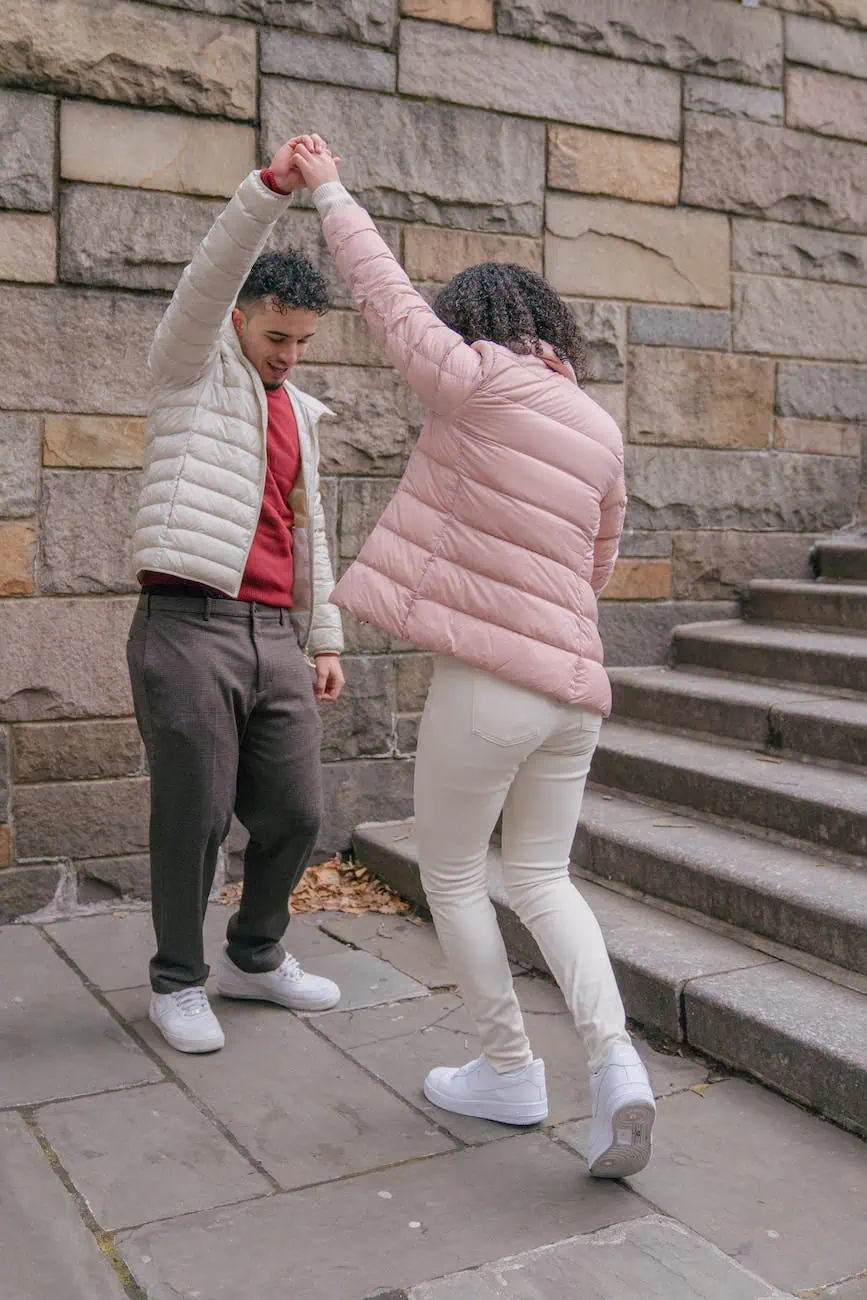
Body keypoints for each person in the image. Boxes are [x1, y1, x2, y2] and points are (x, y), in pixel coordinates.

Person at [289, 139, 656, 1178]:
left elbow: (383, 295)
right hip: (573, 693)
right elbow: (600, 558)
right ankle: (616, 1061)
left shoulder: (476, 382)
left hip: (493, 685)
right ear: (552, 328)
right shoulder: (597, 423)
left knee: (454, 869)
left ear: (477, 328)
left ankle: (509, 1068)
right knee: (544, 875)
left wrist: (329, 188)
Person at [127, 135, 346, 1056]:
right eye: (275, 336)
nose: (289, 355)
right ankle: (176, 980)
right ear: (239, 323)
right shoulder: (192, 362)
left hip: (273, 635)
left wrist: (323, 634)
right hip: (186, 625)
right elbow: (212, 274)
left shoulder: (299, 410)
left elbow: (311, 527)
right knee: (196, 814)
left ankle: (253, 956)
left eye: (302, 341)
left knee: (296, 812)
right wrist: (270, 191)